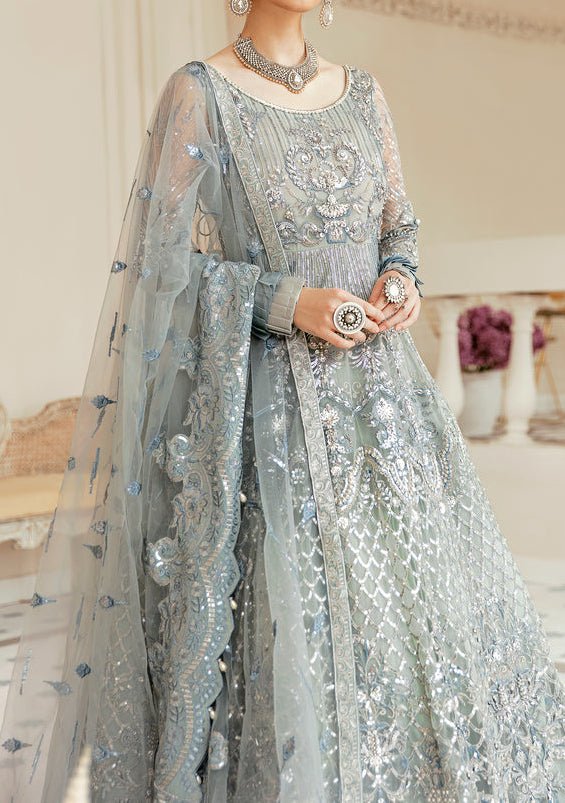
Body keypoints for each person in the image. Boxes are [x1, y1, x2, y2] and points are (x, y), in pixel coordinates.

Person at [1, 1, 564, 800]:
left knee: (415, 631)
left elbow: (399, 226)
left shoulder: (363, 94)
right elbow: (160, 267)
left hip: (388, 423)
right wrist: (282, 301)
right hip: (272, 431)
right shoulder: (199, 93)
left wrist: (400, 279)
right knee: (297, 631)